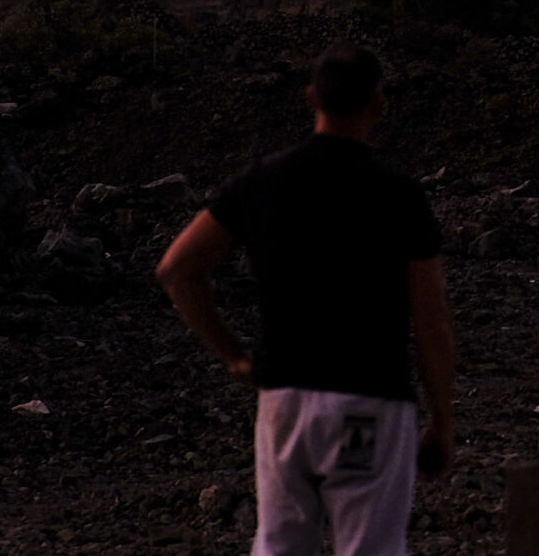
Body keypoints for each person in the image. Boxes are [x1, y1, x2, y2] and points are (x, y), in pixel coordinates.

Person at [157, 43, 455, 556]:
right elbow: (431, 321)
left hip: (285, 400)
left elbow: (177, 269)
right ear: (378, 105)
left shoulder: (263, 181)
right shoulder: (399, 195)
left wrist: (233, 355)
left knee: (279, 543)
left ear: (310, 97)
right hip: (369, 399)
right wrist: (443, 420)